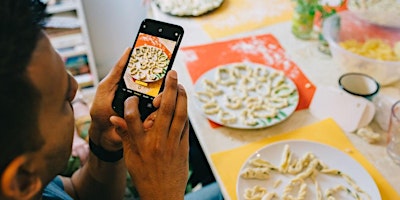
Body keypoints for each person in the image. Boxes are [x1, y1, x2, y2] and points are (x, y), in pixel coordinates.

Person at [0, 0, 203, 199]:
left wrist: (105, 146)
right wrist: (163, 192)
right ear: (22, 180)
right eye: (65, 100)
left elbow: (77, 193)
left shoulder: (33, 183)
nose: (75, 88)